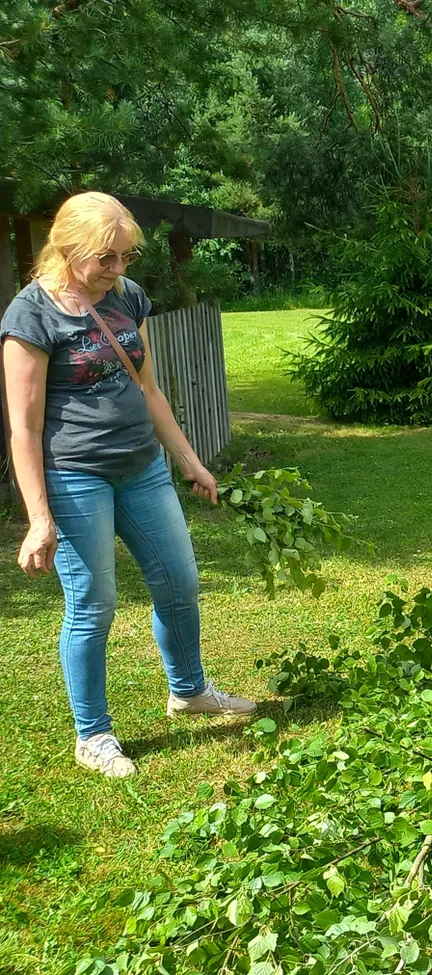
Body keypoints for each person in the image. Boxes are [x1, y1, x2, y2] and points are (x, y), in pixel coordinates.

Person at [1, 192, 256, 779]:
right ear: (67, 249)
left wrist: (190, 460)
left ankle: (188, 690)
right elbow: (23, 426)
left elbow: (149, 390)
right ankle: (92, 735)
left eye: (125, 257)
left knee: (179, 581)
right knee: (94, 604)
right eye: (105, 259)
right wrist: (39, 518)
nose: (117, 271)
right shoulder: (32, 316)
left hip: (141, 467)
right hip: (74, 477)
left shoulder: (127, 298)